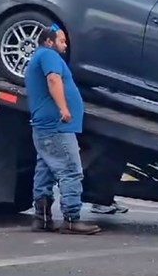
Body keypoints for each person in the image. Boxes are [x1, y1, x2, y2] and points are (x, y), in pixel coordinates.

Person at [25, 24, 101, 235]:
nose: (65, 45)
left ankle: (42, 219)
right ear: (49, 41)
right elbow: (53, 79)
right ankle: (71, 219)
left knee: (46, 171)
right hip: (57, 125)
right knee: (71, 171)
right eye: (61, 40)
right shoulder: (49, 55)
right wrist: (64, 108)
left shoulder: (39, 57)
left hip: (45, 126)